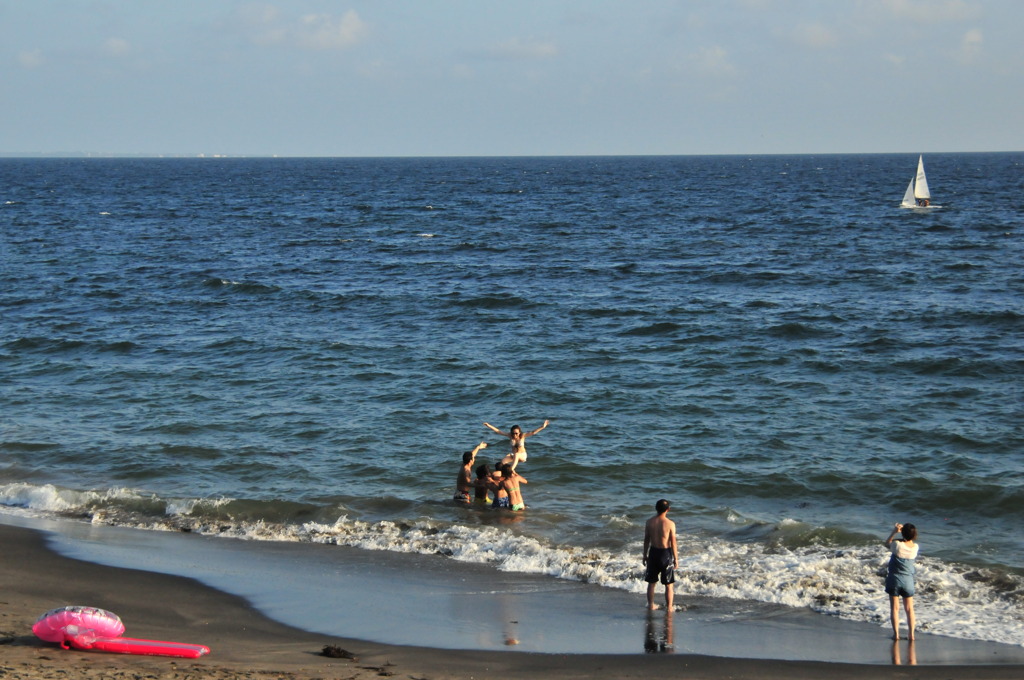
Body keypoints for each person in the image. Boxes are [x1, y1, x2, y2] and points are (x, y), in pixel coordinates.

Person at [884, 522, 919, 641]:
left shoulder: (897, 545)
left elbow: (886, 544)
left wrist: (894, 531)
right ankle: (911, 635)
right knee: (909, 609)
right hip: (908, 580)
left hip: (894, 579)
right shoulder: (915, 548)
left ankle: (896, 634)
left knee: (895, 608)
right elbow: (907, 542)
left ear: (903, 533)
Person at [642, 499, 678, 611]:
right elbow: (673, 543)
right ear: (668, 509)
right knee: (668, 584)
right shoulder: (670, 524)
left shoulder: (649, 522)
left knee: (651, 583)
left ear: (656, 508)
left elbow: (646, 540)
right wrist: (676, 558)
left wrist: (644, 555)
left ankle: (651, 605)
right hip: (665, 554)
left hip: (653, 552)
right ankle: (669, 607)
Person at [483, 420, 549, 471]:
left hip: (522, 455)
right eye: (513, 433)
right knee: (503, 462)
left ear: (519, 432)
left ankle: (511, 471)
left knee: (516, 454)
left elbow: (533, 432)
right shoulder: (510, 436)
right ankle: (505, 475)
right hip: (513, 455)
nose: (515, 435)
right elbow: (498, 431)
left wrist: (543, 426)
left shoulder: (523, 436)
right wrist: (488, 425)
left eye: (516, 433)